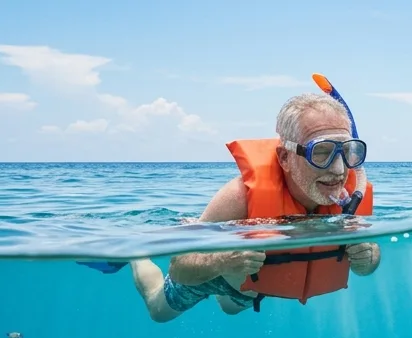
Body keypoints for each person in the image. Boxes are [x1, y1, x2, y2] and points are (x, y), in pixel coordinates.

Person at [123, 91, 380, 321]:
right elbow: (180, 267)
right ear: (285, 157)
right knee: (159, 311)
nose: (338, 170)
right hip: (220, 270)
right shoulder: (239, 197)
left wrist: (369, 258)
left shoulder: (351, 198)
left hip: (250, 287)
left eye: (348, 151)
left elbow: (368, 259)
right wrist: (221, 263)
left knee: (231, 309)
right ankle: (137, 255)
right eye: (321, 152)